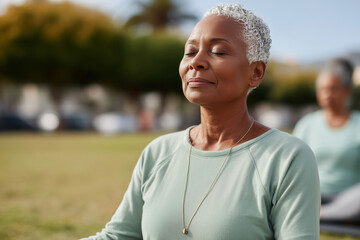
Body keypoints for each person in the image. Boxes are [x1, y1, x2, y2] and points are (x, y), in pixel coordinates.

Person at [82, 4, 320, 240]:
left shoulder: (287, 158)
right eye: (189, 51)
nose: (196, 62)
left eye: (218, 51)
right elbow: (118, 236)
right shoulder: (158, 152)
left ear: (256, 72)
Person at [294, 58, 360, 223]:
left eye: (333, 89)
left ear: (347, 91)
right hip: (313, 194)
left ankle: (318, 214)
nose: (327, 94)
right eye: (322, 89)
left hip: (350, 197)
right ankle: (321, 212)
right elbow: (292, 166)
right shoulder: (306, 124)